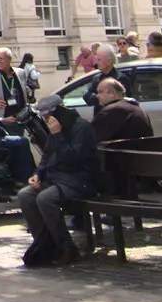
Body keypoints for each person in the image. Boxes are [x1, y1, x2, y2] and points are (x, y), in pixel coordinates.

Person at [18, 95, 100, 266]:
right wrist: (38, 174)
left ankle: (67, 248)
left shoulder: (81, 127)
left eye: (49, 117)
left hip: (79, 180)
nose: (47, 121)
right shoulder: (55, 130)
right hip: (57, 178)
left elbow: (73, 159)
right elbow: (47, 155)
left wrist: (58, 135)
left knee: (45, 198)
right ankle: (45, 244)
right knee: (25, 195)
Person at [90, 78, 153, 144]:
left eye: (100, 92)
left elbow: (90, 138)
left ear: (112, 93)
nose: (97, 96)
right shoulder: (137, 108)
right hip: (143, 151)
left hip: (125, 152)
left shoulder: (112, 110)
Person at [0, 48, 34, 119]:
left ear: (9, 59)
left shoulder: (21, 73)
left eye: (1, 58)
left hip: (21, 116)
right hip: (1, 118)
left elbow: (24, 90)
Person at [85, 49, 130, 114]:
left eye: (99, 60)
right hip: (99, 115)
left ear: (109, 61)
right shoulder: (97, 78)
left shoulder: (120, 78)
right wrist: (101, 98)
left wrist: (105, 98)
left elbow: (126, 100)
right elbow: (87, 97)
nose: (97, 62)